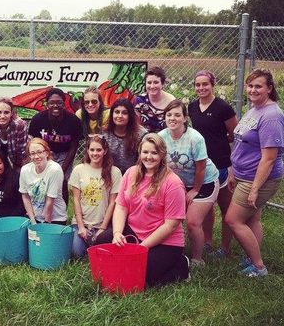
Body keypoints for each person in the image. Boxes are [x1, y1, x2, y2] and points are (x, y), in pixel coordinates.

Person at [225, 69, 284, 277]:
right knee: (252, 219)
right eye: (250, 86)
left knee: (233, 220)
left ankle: (259, 267)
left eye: (258, 86)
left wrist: (255, 189)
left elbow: (269, 158)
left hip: (257, 178)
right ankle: (251, 259)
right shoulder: (255, 109)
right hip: (243, 174)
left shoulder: (271, 116)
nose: (252, 90)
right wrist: (233, 171)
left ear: (269, 89)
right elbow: (241, 142)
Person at [112, 133, 189, 287]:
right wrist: (117, 233)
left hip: (165, 241)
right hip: (135, 231)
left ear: (162, 155)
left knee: (142, 276)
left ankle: (181, 266)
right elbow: (121, 206)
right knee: (105, 242)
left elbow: (171, 225)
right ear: (140, 153)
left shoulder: (173, 183)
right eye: (145, 152)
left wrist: (141, 248)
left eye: (154, 153)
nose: (149, 157)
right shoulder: (131, 173)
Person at [158, 100, 219, 266]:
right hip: (180, 184)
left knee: (192, 222)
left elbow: (201, 168)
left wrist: (195, 190)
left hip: (204, 182)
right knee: (171, 219)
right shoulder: (161, 137)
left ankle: (197, 259)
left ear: (185, 118)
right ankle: (173, 248)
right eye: (169, 115)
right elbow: (161, 164)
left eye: (177, 115)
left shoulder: (195, 138)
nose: (173, 118)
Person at [188, 70, 238, 257]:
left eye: (205, 84)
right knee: (206, 205)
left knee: (227, 208)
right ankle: (207, 241)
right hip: (202, 164)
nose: (201, 88)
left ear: (212, 85)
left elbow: (235, 135)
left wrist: (231, 167)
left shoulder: (223, 107)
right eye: (198, 85)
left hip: (221, 164)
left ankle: (225, 248)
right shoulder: (192, 107)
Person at [69, 135, 122, 257]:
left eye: (99, 150)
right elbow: (76, 200)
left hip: (102, 224)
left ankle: (95, 242)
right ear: (87, 150)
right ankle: (85, 242)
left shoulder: (114, 172)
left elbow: (112, 202)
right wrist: (81, 227)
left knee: (103, 252)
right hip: (81, 223)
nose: (95, 153)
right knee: (76, 253)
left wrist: (103, 228)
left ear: (105, 151)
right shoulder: (79, 169)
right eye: (92, 150)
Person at [28, 87, 83, 181]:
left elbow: (74, 147)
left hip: (65, 155)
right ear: (47, 104)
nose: (55, 105)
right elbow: (33, 143)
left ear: (64, 104)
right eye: (52, 103)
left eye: (59, 102)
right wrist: (45, 157)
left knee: (62, 181)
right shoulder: (38, 119)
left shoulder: (73, 121)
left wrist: (62, 169)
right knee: (43, 180)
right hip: (44, 153)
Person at [19, 138, 67, 225]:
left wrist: (44, 226)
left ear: (47, 153)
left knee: (44, 238)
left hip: (54, 218)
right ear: (29, 156)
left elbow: (50, 201)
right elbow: (25, 196)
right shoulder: (25, 170)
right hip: (35, 216)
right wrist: (33, 221)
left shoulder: (54, 169)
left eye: (39, 152)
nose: (36, 157)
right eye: (32, 153)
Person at [0, 97, 28, 170]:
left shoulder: (20, 125)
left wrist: (16, 170)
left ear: (11, 113)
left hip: (16, 157)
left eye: (6, 112)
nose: (2, 116)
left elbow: (21, 151)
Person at [103, 98, 147, 174]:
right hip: (110, 174)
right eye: (117, 112)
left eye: (124, 113)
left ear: (130, 115)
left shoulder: (141, 134)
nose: (120, 116)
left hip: (134, 174)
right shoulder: (104, 133)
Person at [135, 66, 175, 133]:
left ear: (162, 84)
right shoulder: (140, 100)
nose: (152, 86)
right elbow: (136, 126)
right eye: (149, 82)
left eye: (156, 82)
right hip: (144, 139)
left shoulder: (171, 101)